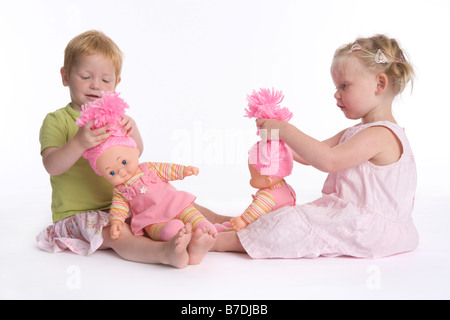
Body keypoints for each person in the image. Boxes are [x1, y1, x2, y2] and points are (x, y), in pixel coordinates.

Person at [213, 34, 419, 259]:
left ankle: (222, 240)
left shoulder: (380, 135)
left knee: (293, 220)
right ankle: (232, 227)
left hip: (368, 228)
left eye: (344, 85)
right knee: (293, 216)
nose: (336, 94)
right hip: (359, 222)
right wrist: (279, 145)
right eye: (336, 86)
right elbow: (313, 153)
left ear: (379, 84)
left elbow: (328, 160)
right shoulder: (361, 131)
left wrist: (286, 130)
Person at [37, 30, 227, 268]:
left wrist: (132, 129)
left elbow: (136, 153)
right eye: (85, 76)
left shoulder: (115, 118)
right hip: (83, 214)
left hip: (129, 201)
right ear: (65, 76)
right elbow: (52, 165)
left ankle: (223, 225)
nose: (95, 85)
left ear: (116, 84)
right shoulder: (58, 120)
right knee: (118, 234)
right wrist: (79, 142)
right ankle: (164, 252)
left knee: (173, 201)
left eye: (106, 80)